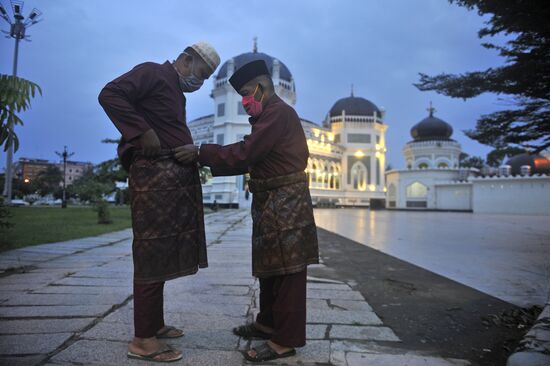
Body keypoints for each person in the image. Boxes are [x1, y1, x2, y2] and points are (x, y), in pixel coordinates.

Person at [174, 60, 319, 363]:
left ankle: (285, 341)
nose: (243, 102)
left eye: (245, 94)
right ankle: (266, 323)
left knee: (289, 270)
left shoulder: (278, 114)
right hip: (271, 200)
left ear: (262, 88)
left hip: (286, 202)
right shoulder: (269, 115)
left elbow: (246, 152)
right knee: (270, 266)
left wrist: (202, 152)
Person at [98, 41, 220, 363]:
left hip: (171, 182)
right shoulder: (153, 72)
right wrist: (142, 131)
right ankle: (142, 340)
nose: (201, 82)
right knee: (152, 251)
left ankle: (154, 324)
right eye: (201, 73)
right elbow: (109, 94)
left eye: (207, 78)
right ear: (185, 59)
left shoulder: (175, 91)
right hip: (154, 180)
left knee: (163, 252)